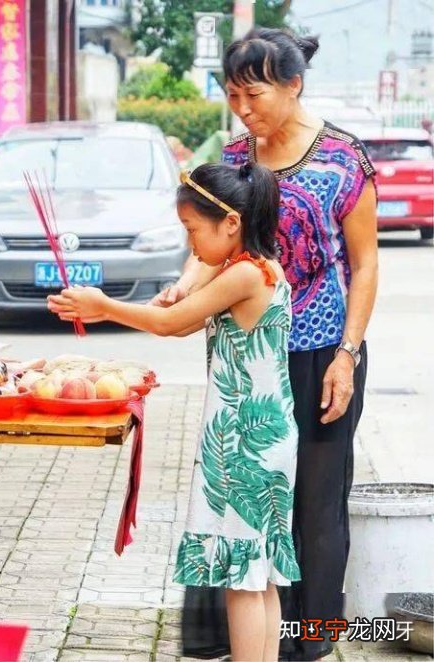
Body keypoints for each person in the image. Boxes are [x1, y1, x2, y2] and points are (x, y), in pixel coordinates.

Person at [152, 28, 379, 661]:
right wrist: (183, 286)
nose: (243, 110)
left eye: (253, 95)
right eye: (232, 96)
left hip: (319, 354)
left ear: (293, 85)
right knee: (240, 499)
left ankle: (308, 643)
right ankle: (238, 639)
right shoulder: (235, 154)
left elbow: (365, 266)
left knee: (314, 500)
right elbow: (219, 245)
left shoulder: (343, 158)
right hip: (250, 358)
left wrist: (348, 355)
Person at [48, 162, 301, 662]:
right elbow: (180, 321)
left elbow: (168, 326)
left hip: (243, 441)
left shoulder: (245, 274)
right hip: (266, 435)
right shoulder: (256, 266)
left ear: (230, 223)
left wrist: (104, 304)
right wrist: (145, 303)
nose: (191, 247)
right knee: (259, 572)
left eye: (192, 231)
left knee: (242, 579)